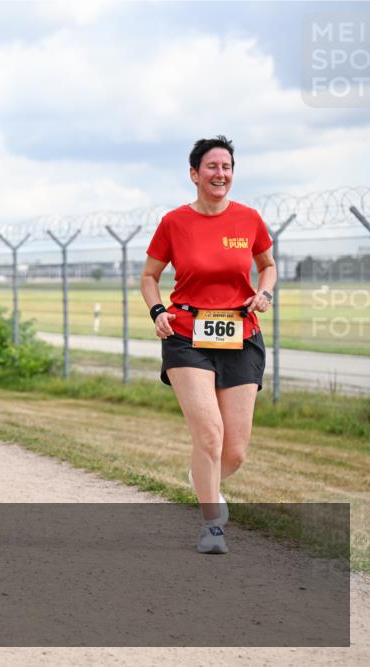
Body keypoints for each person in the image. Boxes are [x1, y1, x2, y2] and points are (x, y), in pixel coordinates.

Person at [141, 135, 275, 555]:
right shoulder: (174, 222)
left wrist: (265, 293)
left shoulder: (249, 219)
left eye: (227, 167)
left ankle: (204, 479)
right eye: (212, 167)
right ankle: (212, 524)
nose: (221, 174)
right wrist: (157, 310)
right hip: (186, 334)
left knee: (233, 452)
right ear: (195, 174)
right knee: (210, 436)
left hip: (241, 334)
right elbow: (149, 276)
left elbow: (267, 266)